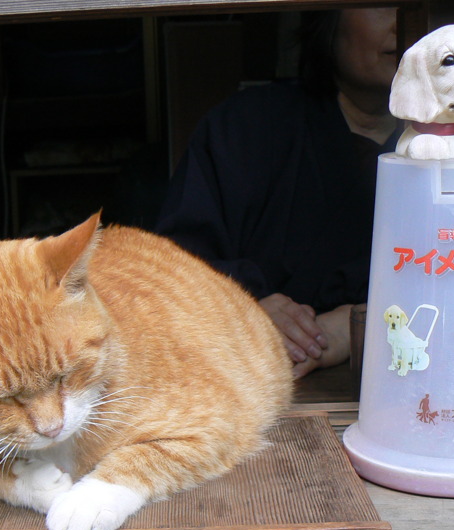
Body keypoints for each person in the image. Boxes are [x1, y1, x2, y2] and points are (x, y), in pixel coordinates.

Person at [155, 9, 400, 378]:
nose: (404, 20)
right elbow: (169, 270)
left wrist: (359, 326)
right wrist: (241, 308)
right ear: (327, 19)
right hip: (252, 384)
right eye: (383, 2)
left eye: (418, 4)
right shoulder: (245, 128)